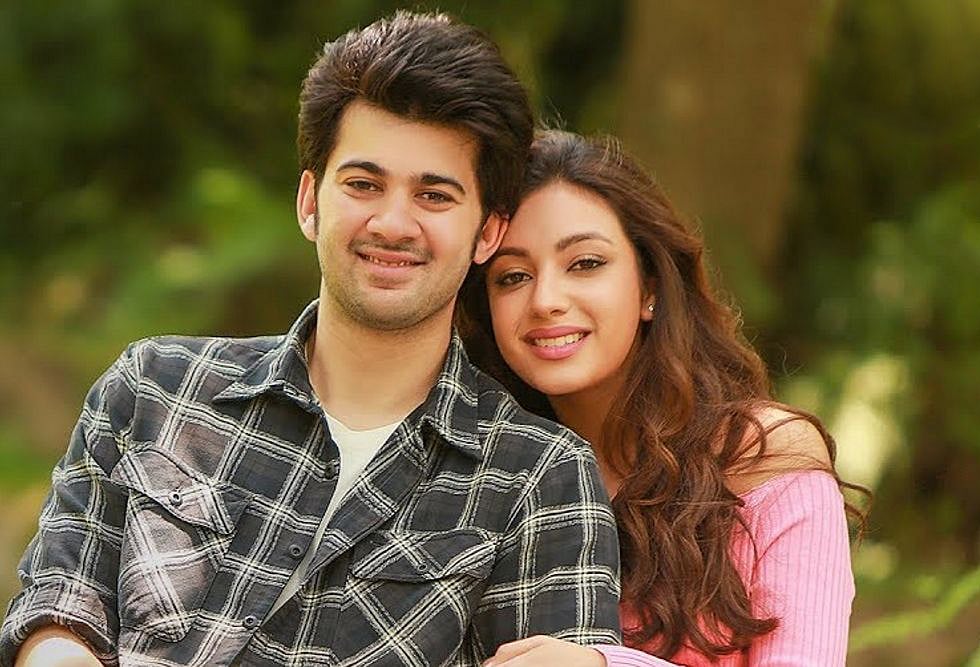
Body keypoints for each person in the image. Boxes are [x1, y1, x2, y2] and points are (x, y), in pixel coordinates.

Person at [0, 16, 622, 667]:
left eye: (434, 195)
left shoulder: (538, 476)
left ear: (488, 233)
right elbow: (56, 611)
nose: (392, 223)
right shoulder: (154, 388)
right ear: (309, 201)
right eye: (363, 185)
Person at [460, 130, 868, 666]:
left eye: (585, 263)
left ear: (650, 286)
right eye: (513, 276)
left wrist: (604, 665)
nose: (546, 301)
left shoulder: (765, 457)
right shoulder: (479, 475)